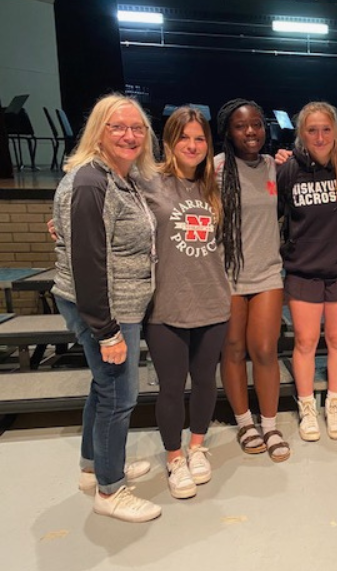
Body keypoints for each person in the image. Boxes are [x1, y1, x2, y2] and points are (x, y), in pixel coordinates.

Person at [52, 93, 161, 522]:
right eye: (118, 127)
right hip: (105, 309)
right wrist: (107, 330)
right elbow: (88, 262)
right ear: (99, 131)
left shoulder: (118, 176)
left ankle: (93, 466)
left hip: (118, 305)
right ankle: (110, 489)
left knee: (103, 389)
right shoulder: (91, 181)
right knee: (119, 395)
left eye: (137, 128)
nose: (129, 135)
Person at [142, 107, 230, 498]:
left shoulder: (215, 185)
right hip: (166, 304)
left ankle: (197, 446)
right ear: (168, 142)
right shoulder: (147, 183)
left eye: (199, 139)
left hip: (212, 299)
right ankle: (174, 457)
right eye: (184, 138)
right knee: (172, 386)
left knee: (206, 381)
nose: (192, 146)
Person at [277, 102, 337, 441]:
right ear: (302, 133)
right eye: (312, 130)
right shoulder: (288, 171)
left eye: (326, 129)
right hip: (303, 272)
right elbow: (275, 214)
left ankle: (334, 404)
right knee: (305, 342)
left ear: (336, 131)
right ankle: (307, 407)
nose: (320, 136)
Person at [215, 99, 289, 461]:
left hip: (266, 272)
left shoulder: (274, 168)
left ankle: (270, 424)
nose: (250, 132)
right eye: (241, 126)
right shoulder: (214, 168)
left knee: (263, 349)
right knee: (232, 349)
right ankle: (244, 422)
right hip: (225, 274)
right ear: (228, 131)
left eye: (257, 125)